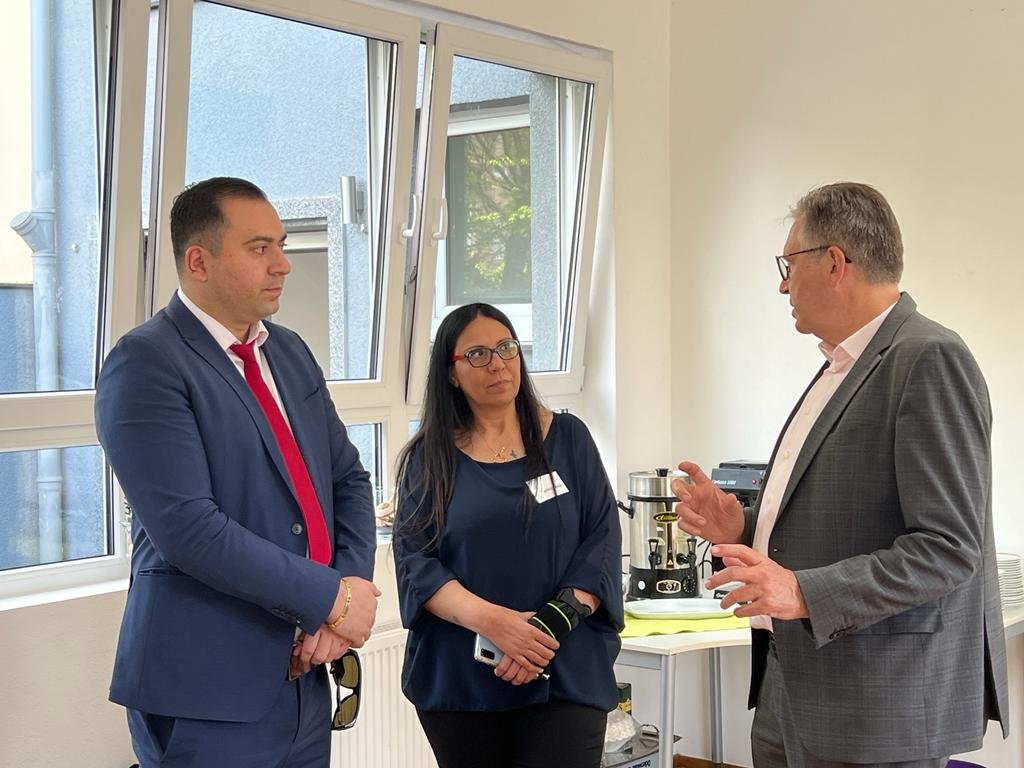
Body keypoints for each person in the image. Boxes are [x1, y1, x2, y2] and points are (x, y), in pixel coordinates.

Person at [673, 182, 1009, 768]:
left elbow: (949, 548)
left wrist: (802, 591)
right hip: (794, 686)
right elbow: (843, 513)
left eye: (789, 264)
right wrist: (743, 526)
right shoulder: (844, 365)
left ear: (833, 263)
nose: (783, 285)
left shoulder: (928, 358)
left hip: (876, 706)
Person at [95, 177, 380, 767]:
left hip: (304, 676)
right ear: (198, 261)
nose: (282, 264)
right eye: (259, 248)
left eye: (281, 245)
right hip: (206, 689)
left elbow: (348, 480)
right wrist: (329, 597)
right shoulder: (146, 362)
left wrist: (346, 593)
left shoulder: (288, 351)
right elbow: (189, 530)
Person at [392, 303, 624, 768]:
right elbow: (416, 562)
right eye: (477, 354)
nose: (497, 363)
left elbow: (601, 540)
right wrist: (496, 625)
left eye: (506, 347)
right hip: (461, 678)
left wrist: (544, 629)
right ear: (452, 374)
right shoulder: (429, 457)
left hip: (563, 664)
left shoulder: (569, 438)